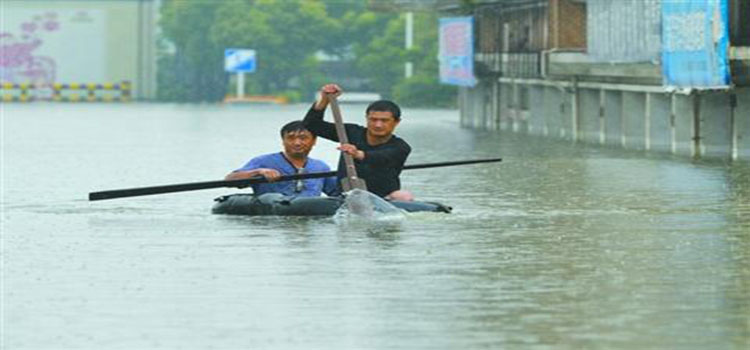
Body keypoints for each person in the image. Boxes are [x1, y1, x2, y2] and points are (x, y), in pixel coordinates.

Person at [303, 83, 414, 201]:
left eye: (384, 120)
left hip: (383, 199)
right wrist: (325, 99)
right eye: (373, 119)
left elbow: (380, 157)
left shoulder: (401, 147)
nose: (378, 125)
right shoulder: (350, 132)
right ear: (366, 118)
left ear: (396, 122)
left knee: (404, 196)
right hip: (346, 196)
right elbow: (311, 125)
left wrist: (357, 154)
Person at [225, 120, 339, 197]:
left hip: (309, 215)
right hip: (274, 217)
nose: (297, 143)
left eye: (303, 138)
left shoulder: (321, 167)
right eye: (290, 138)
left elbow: (338, 193)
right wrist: (258, 172)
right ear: (283, 141)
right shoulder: (263, 162)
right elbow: (230, 180)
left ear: (314, 141)